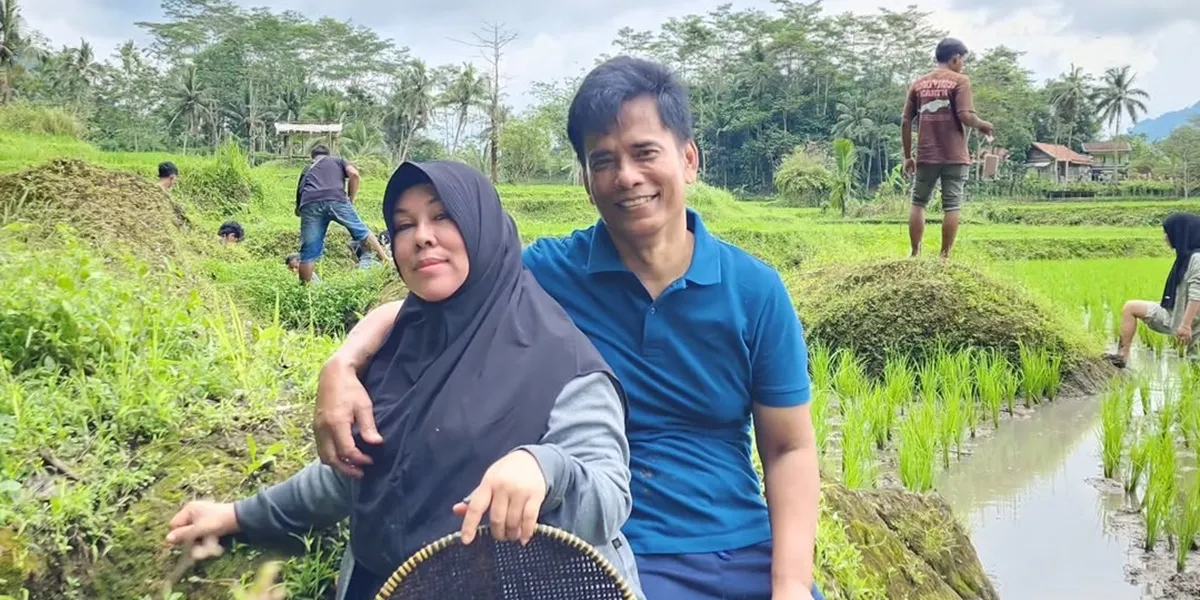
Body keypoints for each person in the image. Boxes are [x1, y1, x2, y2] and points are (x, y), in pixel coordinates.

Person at [311, 56, 823, 600]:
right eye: (603, 160)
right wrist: (341, 365)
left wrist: (789, 584)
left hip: (735, 542)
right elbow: (435, 307)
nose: (626, 176)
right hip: (596, 543)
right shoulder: (548, 273)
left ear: (689, 159)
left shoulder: (756, 291)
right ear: (586, 180)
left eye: (645, 152)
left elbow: (789, 448)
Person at [166, 160, 642, 600]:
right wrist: (236, 517)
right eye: (404, 225)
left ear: (483, 227)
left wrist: (544, 467)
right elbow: (359, 472)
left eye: (442, 217)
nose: (422, 237)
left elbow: (607, 500)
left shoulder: (561, 361)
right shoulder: (401, 344)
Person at [901, 37, 994, 260]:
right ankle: (944, 257)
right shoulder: (960, 81)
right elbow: (965, 115)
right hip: (954, 156)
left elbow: (905, 120)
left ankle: (915, 253)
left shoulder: (918, 83)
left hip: (926, 154)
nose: (962, 65)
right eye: (963, 60)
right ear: (955, 58)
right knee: (951, 205)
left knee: (918, 202)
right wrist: (983, 125)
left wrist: (907, 156)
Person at [1108, 212, 1200, 369]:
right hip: (1175, 314)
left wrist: (1185, 325)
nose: (1165, 237)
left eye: (1167, 233)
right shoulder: (1186, 256)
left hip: (1190, 322)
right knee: (1131, 307)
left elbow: (1197, 295)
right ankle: (1121, 357)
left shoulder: (1196, 259)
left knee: (1195, 366)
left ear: (1180, 233)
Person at [295, 145, 390, 284]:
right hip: (336, 199)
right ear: (329, 154)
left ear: (312, 157)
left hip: (310, 203)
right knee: (361, 231)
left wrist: (301, 209)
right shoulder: (338, 160)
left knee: (308, 251)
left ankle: (305, 291)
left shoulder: (308, 168)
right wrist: (351, 199)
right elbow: (354, 174)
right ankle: (386, 262)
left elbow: (300, 192)